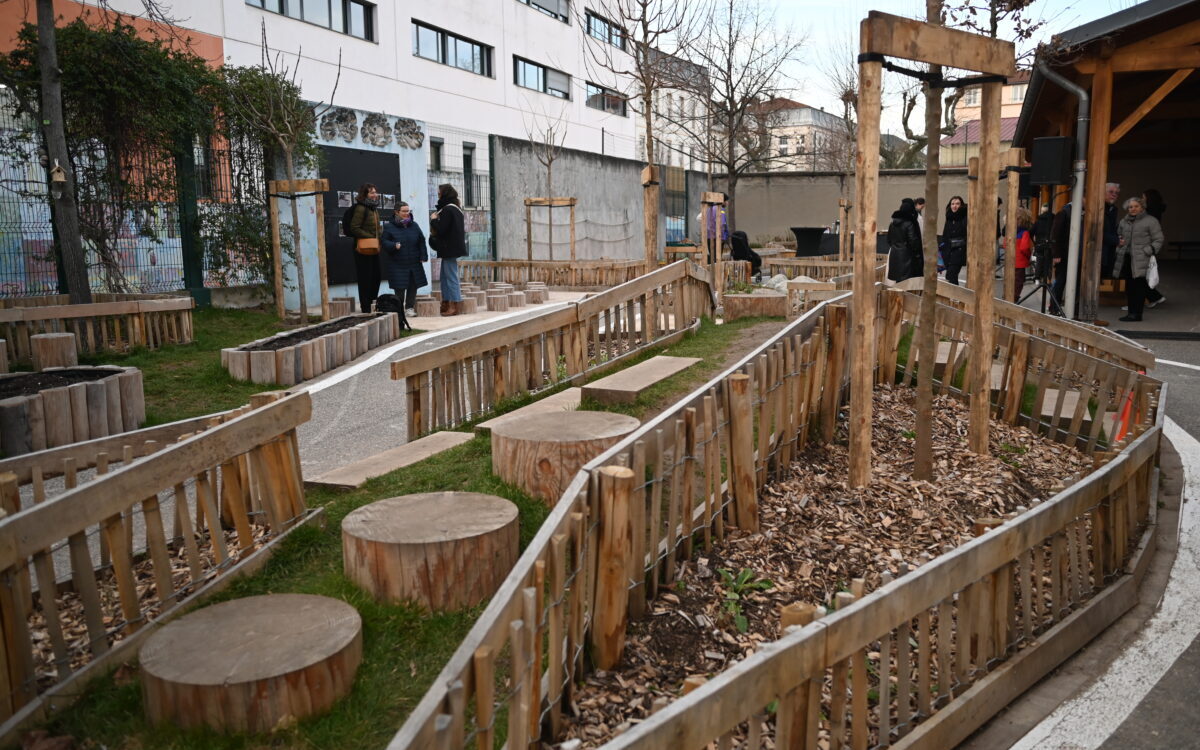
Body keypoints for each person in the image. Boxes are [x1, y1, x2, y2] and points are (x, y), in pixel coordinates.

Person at [1114, 195, 1163, 322]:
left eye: (1136, 206)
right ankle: (1131, 313)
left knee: (1139, 287)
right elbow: (1118, 235)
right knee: (1129, 287)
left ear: (1142, 207)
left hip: (1142, 259)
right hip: (1127, 258)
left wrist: (1148, 251)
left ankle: (1137, 314)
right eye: (1130, 207)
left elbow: (1159, 239)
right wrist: (1119, 244)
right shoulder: (1124, 221)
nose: (1133, 209)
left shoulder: (1151, 221)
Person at [380, 201, 428, 316]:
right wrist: (393, 245)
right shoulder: (389, 226)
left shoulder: (414, 225)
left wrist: (423, 256)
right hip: (397, 262)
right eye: (404, 211)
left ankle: (409, 308)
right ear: (396, 212)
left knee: (413, 285)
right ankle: (399, 309)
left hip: (414, 262)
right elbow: (384, 242)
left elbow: (421, 241)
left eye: (408, 211)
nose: (407, 213)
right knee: (399, 287)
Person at [429, 183, 468, 316]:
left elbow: (441, 229)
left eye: (439, 192)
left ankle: (454, 305)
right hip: (450, 248)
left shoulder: (448, 210)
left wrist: (433, 220)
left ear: (444, 193)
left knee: (450, 277)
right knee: (444, 277)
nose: (438, 194)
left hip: (449, 248)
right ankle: (446, 303)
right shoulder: (456, 208)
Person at [348, 183, 382, 313]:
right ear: (365, 194)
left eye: (375, 192)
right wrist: (370, 237)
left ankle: (373, 302)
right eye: (372, 192)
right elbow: (354, 228)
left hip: (374, 246)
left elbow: (376, 228)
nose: (375, 194)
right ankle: (365, 306)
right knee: (365, 278)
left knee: (376, 276)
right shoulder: (361, 208)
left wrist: (378, 237)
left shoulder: (373, 208)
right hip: (362, 248)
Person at [1140, 188, 1167, 308]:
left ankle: (1153, 297)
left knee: (1138, 275)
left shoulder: (1149, 213)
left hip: (1145, 245)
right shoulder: (1155, 211)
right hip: (1149, 244)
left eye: (1143, 197)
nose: (1141, 200)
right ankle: (1153, 296)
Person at [886, 198, 923, 283]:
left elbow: (888, 240)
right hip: (906, 256)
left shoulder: (892, 224)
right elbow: (913, 241)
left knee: (898, 281)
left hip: (894, 254)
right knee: (906, 282)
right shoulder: (909, 223)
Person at [941, 195, 968, 285]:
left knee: (951, 275)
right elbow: (945, 234)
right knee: (950, 276)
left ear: (961, 205)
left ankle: (954, 297)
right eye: (952, 204)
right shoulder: (949, 216)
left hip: (959, 250)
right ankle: (954, 297)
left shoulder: (965, 216)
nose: (954, 206)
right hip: (948, 250)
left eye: (957, 204)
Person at [1010, 207, 1034, 302]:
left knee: (1010, 281)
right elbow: (1024, 248)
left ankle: (1007, 297)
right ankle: (1014, 299)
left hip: (1010, 261)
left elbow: (1004, 244)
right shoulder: (1025, 233)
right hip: (1020, 262)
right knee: (1019, 282)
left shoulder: (1010, 231)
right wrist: (1028, 256)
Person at [698, 194, 730, 263]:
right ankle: (716, 273)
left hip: (709, 236)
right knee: (717, 259)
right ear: (723, 201)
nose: (727, 203)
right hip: (717, 237)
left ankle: (711, 272)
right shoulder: (720, 209)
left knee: (712, 258)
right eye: (726, 201)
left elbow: (700, 218)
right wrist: (722, 237)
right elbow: (722, 224)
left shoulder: (709, 209)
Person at [1102, 182, 1120, 279]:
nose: (1114, 194)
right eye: (1111, 192)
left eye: (1116, 193)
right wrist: (1116, 240)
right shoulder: (1098, 208)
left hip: (1109, 251)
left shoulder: (1113, 209)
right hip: (1098, 252)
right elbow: (1098, 232)